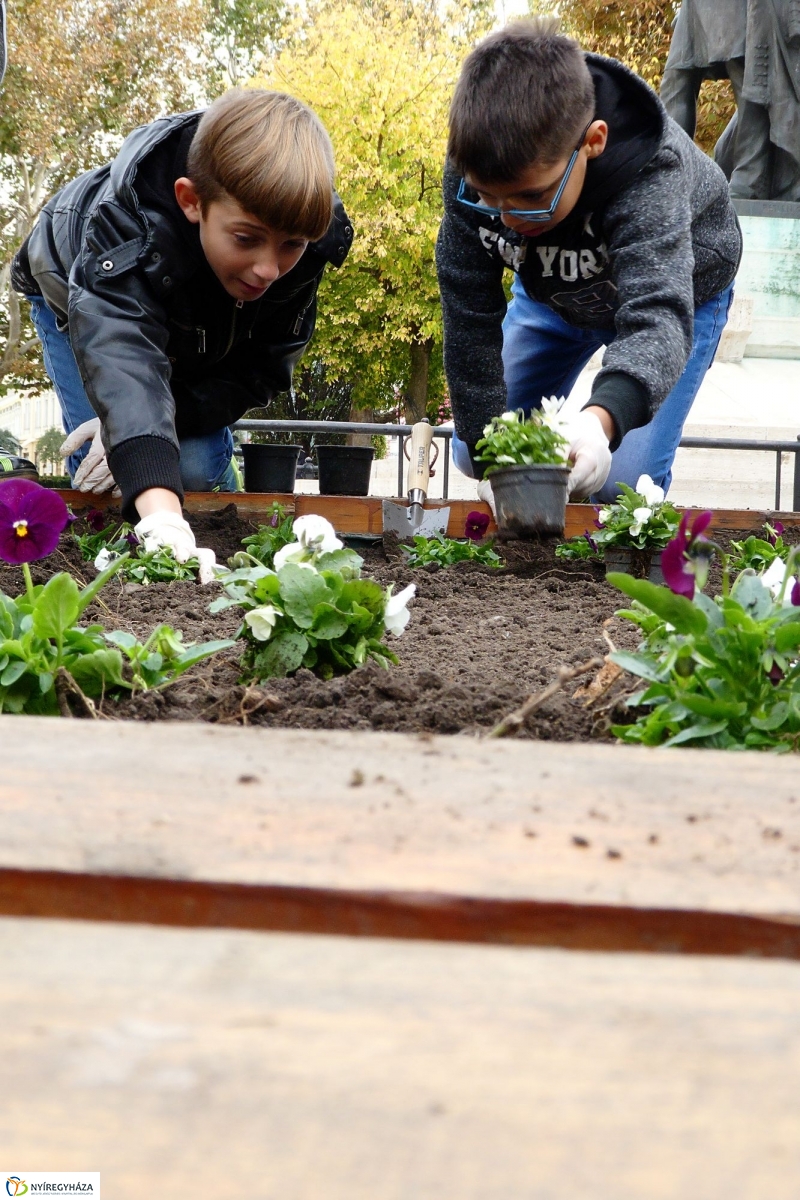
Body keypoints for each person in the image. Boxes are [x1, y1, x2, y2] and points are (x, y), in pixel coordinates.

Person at [12, 88, 352, 568]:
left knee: (188, 464)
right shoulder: (125, 225)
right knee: (104, 466)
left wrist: (148, 426)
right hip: (72, 288)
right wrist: (159, 512)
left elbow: (257, 372)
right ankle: (122, 556)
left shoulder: (303, 238)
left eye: (290, 245)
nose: (268, 269)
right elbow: (121, 352)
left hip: (192, 316)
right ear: (191, 202)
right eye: (246, 239)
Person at [436, 18, 742, 504]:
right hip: (553, 297)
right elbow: (469, 314)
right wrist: (489, 453)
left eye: (530, 197)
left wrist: (600, 421)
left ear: (592, 141)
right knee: (478, 453)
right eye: (490, 199)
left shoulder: (650, 172)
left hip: (674, 293)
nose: (509, 218)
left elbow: (656, 315)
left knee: (621, 484)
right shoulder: (470, 173)